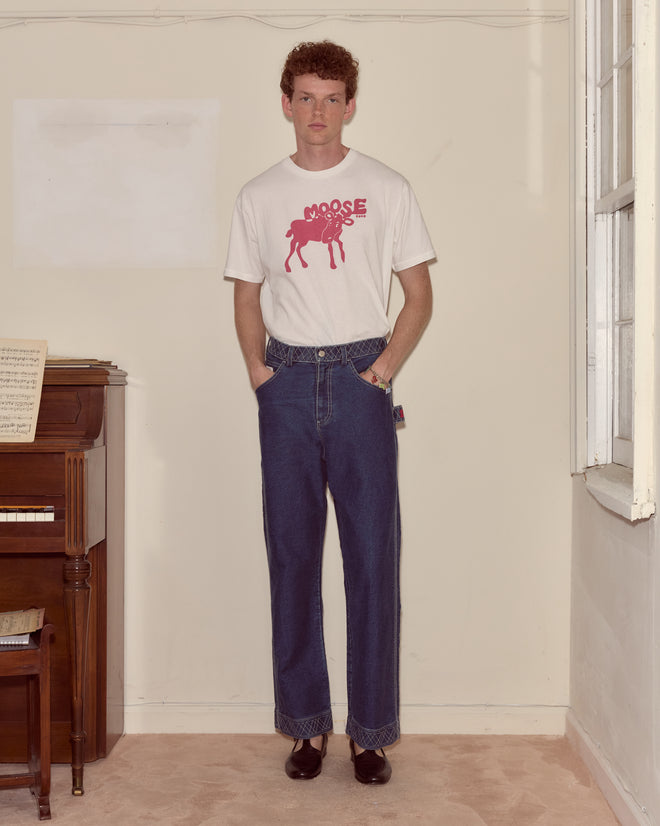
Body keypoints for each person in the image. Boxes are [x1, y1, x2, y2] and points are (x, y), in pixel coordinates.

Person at [224, 40, 434, 784]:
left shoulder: (386, 187)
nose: (318, 112)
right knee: (292, 556)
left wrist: (379, 373)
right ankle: (306, 727)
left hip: (358, 380)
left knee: (374, 560)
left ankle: (369, 734)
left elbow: (419, 296)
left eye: (331, 97)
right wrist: (260, 373)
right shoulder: (258, 196)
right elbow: (246, 294)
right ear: (287, 104)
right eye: (305, 97)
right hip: (285, 381)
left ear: (351, 105)